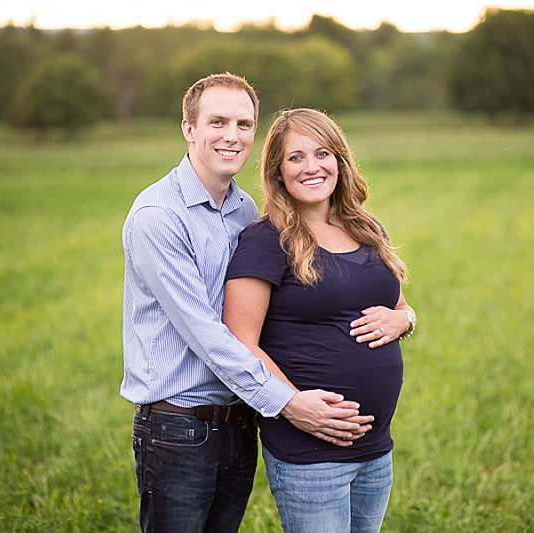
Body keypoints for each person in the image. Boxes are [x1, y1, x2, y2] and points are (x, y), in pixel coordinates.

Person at [120, 74, 375, 533]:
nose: (232, 136)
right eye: (217, 122)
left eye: (244, 123)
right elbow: (207, 333)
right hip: (180, 426)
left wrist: (402, 315)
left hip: (239, 423)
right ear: (188, 128)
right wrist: (290, 403)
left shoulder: (243, 211)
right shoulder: (159, 215)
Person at [223, 108, 417, 533]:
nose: (311, 167)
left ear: (340, 161)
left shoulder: (367, 228)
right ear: (277, 171)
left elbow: (399, 306)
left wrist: (406, 321)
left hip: (376, 447)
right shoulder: (265, 241)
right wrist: (295, 406)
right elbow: (239, 343)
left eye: (322, 153)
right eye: (295, 158)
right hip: (310, 451)